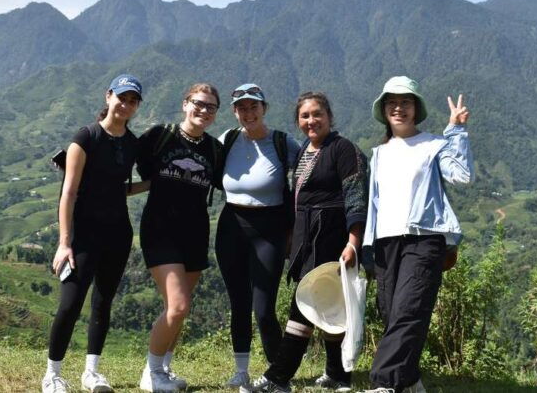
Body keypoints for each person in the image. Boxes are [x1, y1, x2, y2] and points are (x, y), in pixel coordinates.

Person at [243, 92, 368, 393]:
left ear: (329, 116)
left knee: (306, 306)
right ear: (298, 120)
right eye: (305, 116)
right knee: (327, 304)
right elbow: (297, 199)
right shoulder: (303, 151)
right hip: (305, 238)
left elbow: (355, 198)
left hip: (331, 237)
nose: (311, 121)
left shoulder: (344, 149)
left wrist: (353, 242)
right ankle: (338, 373)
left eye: (317, 114)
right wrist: (291, 238)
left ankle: (277, 377)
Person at [360, 76, 473, 393]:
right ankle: (409, 382)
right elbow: (375, 205)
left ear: (416, 108)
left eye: (405, 102)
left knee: (409, 310)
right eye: (392, 103)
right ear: (384, 110)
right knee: (392, 313)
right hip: (385, 242)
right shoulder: (379, 153)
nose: (399, 108)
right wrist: (365, 246)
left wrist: (457, 131)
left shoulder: (434, 144)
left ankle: (383, 382)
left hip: (425, 238)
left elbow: (462, 175)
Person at [42, 74, 148, 393]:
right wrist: (64, 243)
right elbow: (69, 192)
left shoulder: (132, 144)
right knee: (70, 304)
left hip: (117, 233)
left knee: (103, 303)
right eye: (122, 98)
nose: (126, 105)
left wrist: (154, 184)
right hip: (83, 235)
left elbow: (119, 188)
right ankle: (52, 374)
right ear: (108, 96)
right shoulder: (86, 137)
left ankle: (91, 372)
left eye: (133, 101)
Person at [136, 83, 224, 392]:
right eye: (198, 103)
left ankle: (164, 368)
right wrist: (79, 168)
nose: (203, 110)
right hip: (160, 230)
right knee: (178, 305)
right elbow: (121, 156)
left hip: (196, 233)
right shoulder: (160, 136)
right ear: (185, 103)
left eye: (211, 106)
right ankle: (151, 372)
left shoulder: (215, 149)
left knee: (178, 310)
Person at [216, 84, 301, 388]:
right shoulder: (226, 140)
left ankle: (277, 376)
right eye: (242, 108)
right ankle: (241, 371)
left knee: (263, 308)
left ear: (264, 108)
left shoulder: (282, 143)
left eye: (254, 107)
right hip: (231, 226)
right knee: (238, 302)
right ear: (234, 112)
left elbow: (309, 174)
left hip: (269, 229)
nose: (248, 113)